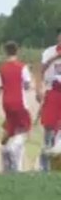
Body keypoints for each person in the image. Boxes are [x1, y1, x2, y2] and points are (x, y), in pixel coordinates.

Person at [0, 41, 32, 172]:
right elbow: (27, 85)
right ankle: (12, 152)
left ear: (5, 52)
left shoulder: (1, 69)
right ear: (17, 51)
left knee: (11, 130)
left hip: (6, 104)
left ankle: (13, 167)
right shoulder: (22, 67)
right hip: (20, 103)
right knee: (23, 131)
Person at [38, 30, 61, 168]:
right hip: (53, 91)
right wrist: (56, 57)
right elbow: (41, 69)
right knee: (49, 129)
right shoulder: (49, 52)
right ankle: (44, 166)